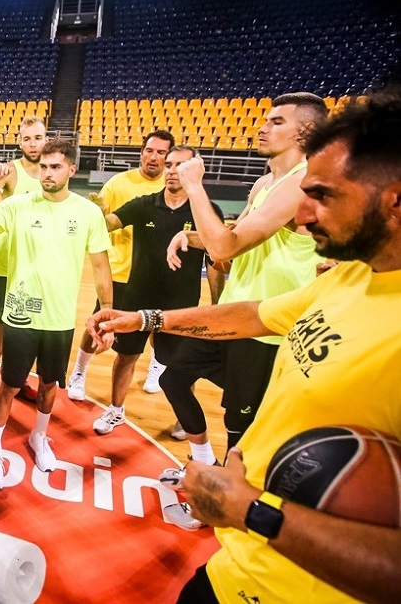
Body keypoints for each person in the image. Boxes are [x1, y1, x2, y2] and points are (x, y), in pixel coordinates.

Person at [88, 93, 401, 604]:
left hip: (286, 583)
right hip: (233, 568)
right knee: (177, 378)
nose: (302, 214)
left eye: (323, 195)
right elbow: (254, 313)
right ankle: (210, 458)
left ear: (393, 200)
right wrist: (145, 317)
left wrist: (251, 510)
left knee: (238, 415)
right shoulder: (347, 279)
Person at [160, 93, 327, 458]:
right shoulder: (263, 183)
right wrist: (189, 237)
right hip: (234, 313)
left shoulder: (302, 183)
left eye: (277, 122)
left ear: (305, 131)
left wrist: (194, 187)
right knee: (173, 378)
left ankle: (231, 488)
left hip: (265, 327)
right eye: (265, 120)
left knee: (239, 426)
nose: (263, 128)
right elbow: (233, 241)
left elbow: (224, 247)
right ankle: (204, 463)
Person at [0, 140, 112, 489]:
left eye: (56, 167)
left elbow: (101, 267)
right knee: (10, 385)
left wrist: (107, 316)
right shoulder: (18, 205)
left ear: (71, 169)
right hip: (21, 314)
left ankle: (39, 436)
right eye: (44, 167)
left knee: (49, 384)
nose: (47, 173)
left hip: (60, 318)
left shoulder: (87, 212)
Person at [88, 146, 225, 436]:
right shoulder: (145, 204)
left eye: (180, 165)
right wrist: (96, 213)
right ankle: (115, 411)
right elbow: (109, 225)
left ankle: (183, 419)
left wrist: (217, 304)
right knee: (125, 357)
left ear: (195, 170)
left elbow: (215, 260)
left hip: (180, 305)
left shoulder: (206, 210)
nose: (172, 170)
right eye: (170, 164)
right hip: (138, 299)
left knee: (181, 368)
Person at [68, 130, 174, 398]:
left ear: (169, 157)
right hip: (119, 272)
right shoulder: (118, 184)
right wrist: (98, 213)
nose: (154, 157)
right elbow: (102, 222)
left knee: (156, 325)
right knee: (99, 323)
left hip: (157, 276)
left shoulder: (172, 187)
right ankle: (78, 372)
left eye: (161, 152)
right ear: (142, 152)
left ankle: (156, 367)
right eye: (149, 150)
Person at [0, 116, 47, 411]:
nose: (33, 144)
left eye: (38, 137)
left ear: (46, 138)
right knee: (3, 325)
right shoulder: (10, 173)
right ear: (20, 142)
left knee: (28, 326)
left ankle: (17, 377)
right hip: (5, 262)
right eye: (27, 138)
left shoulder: (51, 172)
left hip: (36, 263)